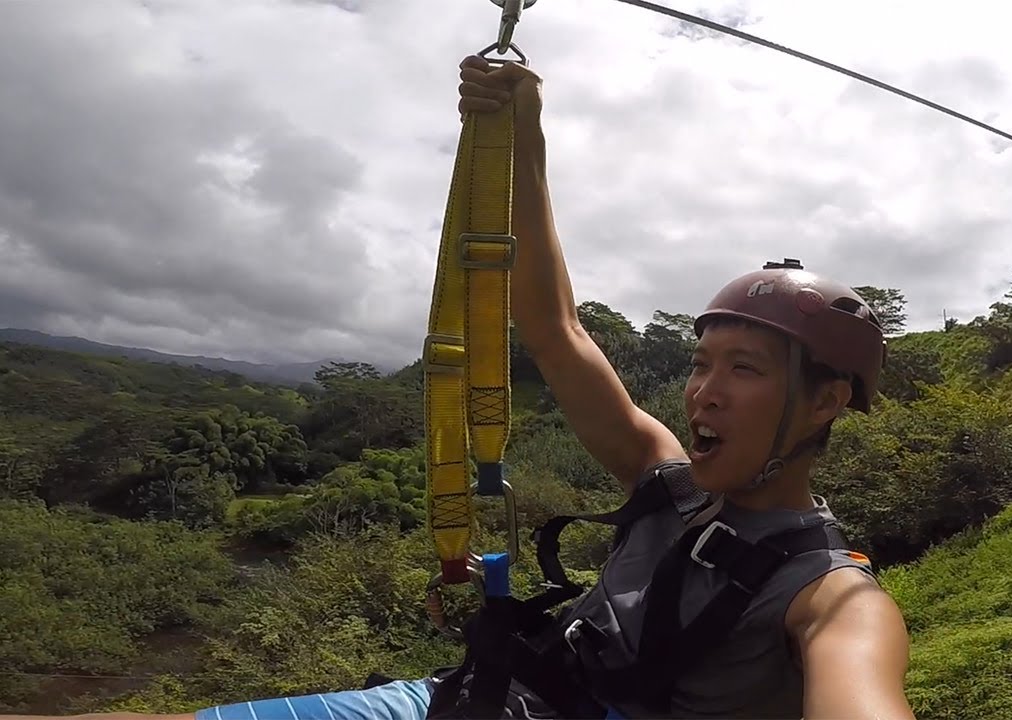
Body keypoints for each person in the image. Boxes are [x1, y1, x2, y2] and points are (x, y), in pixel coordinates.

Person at [7, 56, 915, 720]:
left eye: (744, 372)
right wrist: (523, 138)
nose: (704, 393)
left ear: (828, 401)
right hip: (471, 701)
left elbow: (860, 688)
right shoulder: (665, 478)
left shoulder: (833, 594)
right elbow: (552, 325)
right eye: (700, 363)